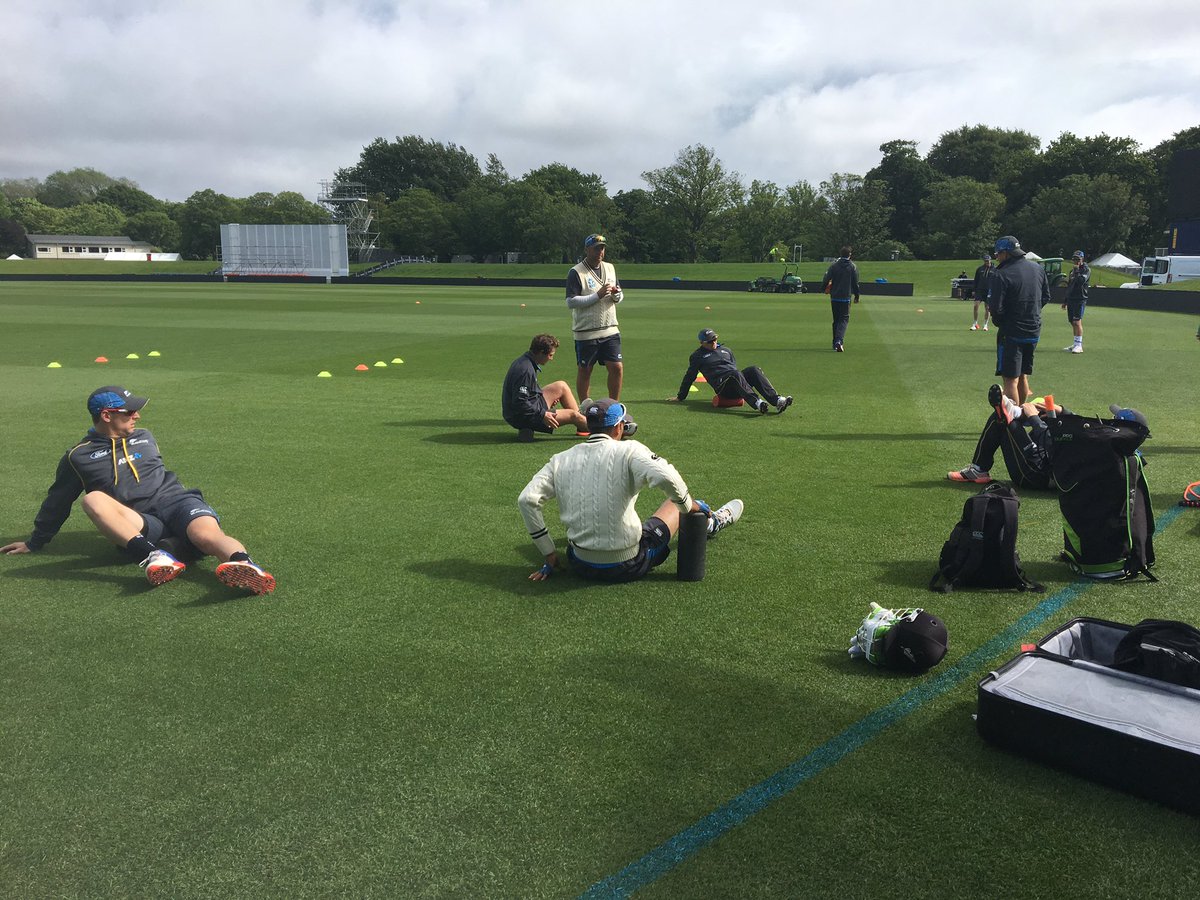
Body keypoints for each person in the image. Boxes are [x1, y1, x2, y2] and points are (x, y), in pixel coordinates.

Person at [1, 386, 275, 594]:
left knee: (206, 535)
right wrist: (35, 541)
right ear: (106, 416)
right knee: (93, 499)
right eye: (129, 412)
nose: (137, 415)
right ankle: (153, 556)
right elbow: (57, 500)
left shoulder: (144, 436)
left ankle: (246, 566)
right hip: (142, 521)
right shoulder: (78, 456)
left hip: (178, 502)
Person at [518, 399, 743, 583]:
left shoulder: (560, 459)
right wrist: (689, 506)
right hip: (627, 564)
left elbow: (527, 500)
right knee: (679, 505)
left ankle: (705, 520)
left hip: (579, 565)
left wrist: (548, 552)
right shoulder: (630, 449)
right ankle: (711, 522)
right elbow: (667, 476)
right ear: (619, 427)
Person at [947, 385, 1069, 489]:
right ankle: (1016, 412)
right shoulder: (1087, 437)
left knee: (1001, 419)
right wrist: (1062, 410)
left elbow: (1052, 442)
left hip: (1038, 475)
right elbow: (1074, 429)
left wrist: (1033, 417)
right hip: (1045, 461)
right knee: (1046, 415)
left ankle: (978, 470)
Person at [667, 328, 793, 413]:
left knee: (753, 369)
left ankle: (777, 401)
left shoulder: (726, 350)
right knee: (734, 374)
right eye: (710, 341)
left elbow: (733, 366)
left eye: (714, 339)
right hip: (723, 387)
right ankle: (758, 403)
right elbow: (690, 376)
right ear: (702, 342)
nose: (713, 343)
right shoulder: (697, 356)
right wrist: (680, 397)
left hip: (737, 382)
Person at [988, 235, 1050, 404]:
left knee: (1010, 380)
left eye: (998, 254)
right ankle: (1024, 415)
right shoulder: (1038, 269)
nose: (997, 257)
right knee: (1023, 376)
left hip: (1012, 332)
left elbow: (995, 307)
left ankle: (1013, 423)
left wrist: (1001, 321)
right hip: (1034, 330)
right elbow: (1046, 296)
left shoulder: (1001, 274)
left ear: (1006, 253)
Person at [566, 233, 624, 402]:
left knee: (617, 368)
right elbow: (571, 302)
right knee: (585, 370)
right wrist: (597, 295)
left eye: (603, 248)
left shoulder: (610, 268)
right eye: (597, 248)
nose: (600, 251)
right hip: (586, 331)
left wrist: (616, 295)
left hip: (610, 328)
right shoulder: (576, 272)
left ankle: (614, 405)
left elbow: (619, 296)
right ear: (587, 249)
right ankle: (584, 407)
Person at [502, 333, 588, 442]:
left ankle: (582, 424)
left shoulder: (526, 360)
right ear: (541, 352)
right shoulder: (525, 370)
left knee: (561, 386)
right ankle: (604, 431)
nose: (551, 359)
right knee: (573, 415)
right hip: (521, 416)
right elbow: (519, 402)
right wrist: (543, 414)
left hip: (528, 407)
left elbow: (527, 394)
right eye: (550, 355)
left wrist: (541, 401)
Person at [821, 246, 860, 352]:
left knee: (836, 320)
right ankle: (839, 341)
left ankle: (835, 343)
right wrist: (857, 296)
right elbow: (855, 283)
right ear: (850, 255)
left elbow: (826, 278)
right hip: (845, 297)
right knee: (844, 320)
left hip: (834, 297)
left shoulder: (834, 266)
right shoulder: (853, 267)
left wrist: (823, 288)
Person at [1062, 250, 1089, 353]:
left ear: (1082, 259)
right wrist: (1065, 300)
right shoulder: (1072, 271)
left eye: (1078, 259)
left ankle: (1079, 345)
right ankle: (1075, 343)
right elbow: (1070, 286)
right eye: (1074, 259)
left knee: (1077, 322)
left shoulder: (1085, 270)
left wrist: (1077, 271)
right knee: (1072, 322)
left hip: (1080, 299)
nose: (1076, 261)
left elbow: (1081, 281)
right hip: (1071, 299)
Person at [971, 254, 994, 331]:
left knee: (987, 308)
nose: (986, 262)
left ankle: (985, 325)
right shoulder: (980, 269)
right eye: (985, 261)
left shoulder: (995, 269)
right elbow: (976, 280)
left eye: (988, 260)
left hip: (989, 291)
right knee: (975, 306)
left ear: (990, 260)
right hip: (979, 290)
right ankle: (975, 323)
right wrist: (974, 290)